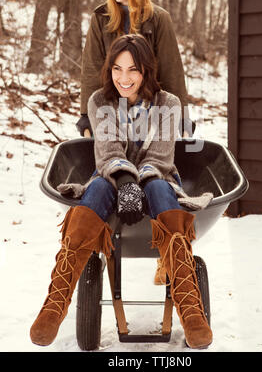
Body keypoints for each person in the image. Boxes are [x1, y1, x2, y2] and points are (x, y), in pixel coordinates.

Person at [29, 34, 213, 349]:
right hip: (111, 175)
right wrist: (125, 181)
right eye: (117, 69)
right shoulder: (100, 101)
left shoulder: (168, 104)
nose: (123, 79)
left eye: (133, 70)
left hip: (159, 177)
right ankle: (55, 303)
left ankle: (191, 307)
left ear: (146, 71)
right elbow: (108, 149)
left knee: (156, 187)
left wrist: (138, 180)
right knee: (100, 185)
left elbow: (159, 157)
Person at [76, 0, 194, 139]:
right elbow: (92, 67)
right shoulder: (100, 18)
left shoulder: (158, 18)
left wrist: (182, 118)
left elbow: (171, 69)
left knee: (149, 157)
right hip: (112, 105)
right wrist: (86, 115)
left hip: (150, 105)